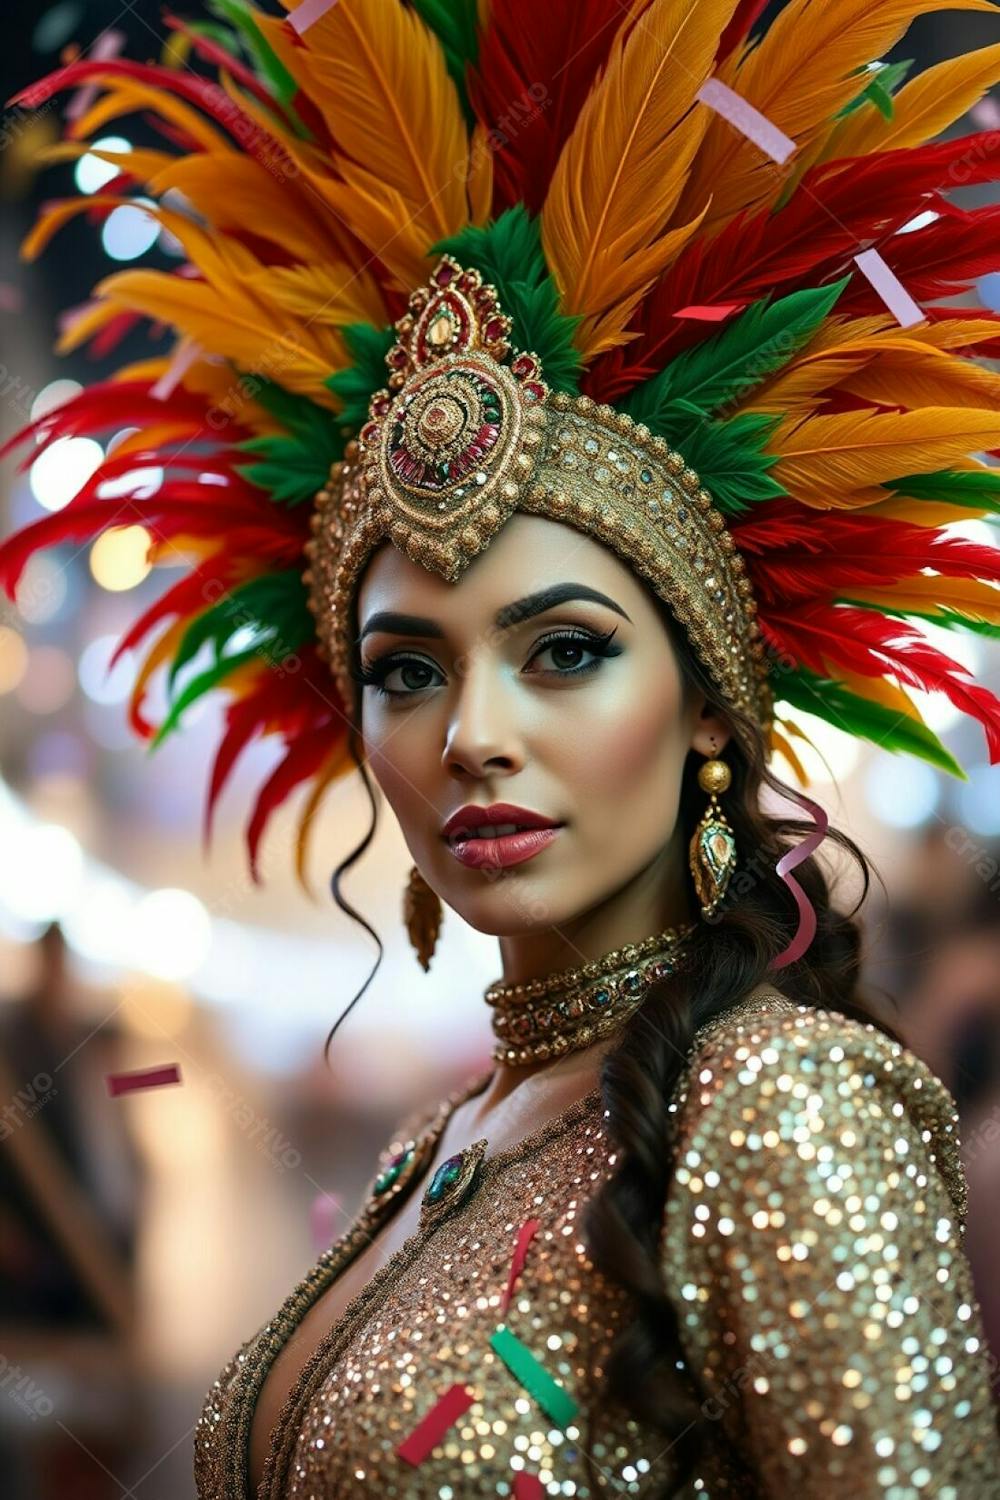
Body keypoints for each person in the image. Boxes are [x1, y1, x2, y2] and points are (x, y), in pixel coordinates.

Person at [3, 2, 1000, 1494]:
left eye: (568, 652)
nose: (473, 736)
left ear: (713, 703)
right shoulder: (445, 1134)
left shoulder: (780, 1111)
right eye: (408, 671)